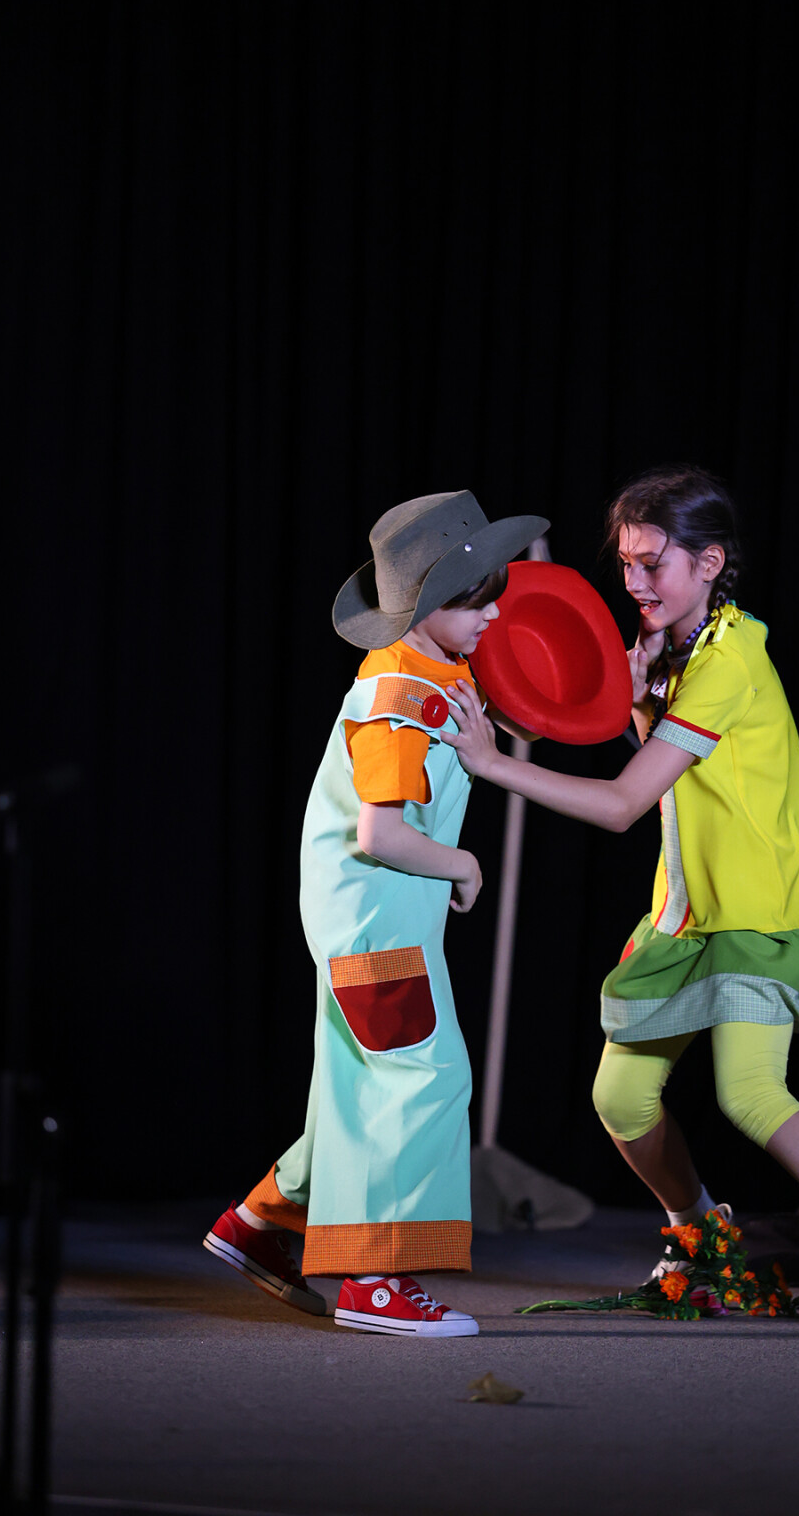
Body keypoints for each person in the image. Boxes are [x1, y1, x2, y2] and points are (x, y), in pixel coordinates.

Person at [443, 465, 799, 1341]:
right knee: (622, 1097)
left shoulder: (729, 658)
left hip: (759, 912)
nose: (634, 582)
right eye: (625, 563)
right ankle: (703, 1241)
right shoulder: (676, 647)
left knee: (750, 1091)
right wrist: (633, 697)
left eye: (652, 563)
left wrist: (493, 763)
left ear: (709, 562)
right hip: (686, 915)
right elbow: (661, 770)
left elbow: (624, 804)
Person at [204, 490, 548, 1337]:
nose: (493, 612)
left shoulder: (431, 669)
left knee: (360, 1086)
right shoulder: (399, 693)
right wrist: (464, 863)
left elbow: (524, 706)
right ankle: (375, 1281)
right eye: (475, 599)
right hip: (376, 924)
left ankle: (261, 1223)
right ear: (426, 608)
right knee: (422, 1077)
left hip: (370, 920)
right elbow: (381, 832)